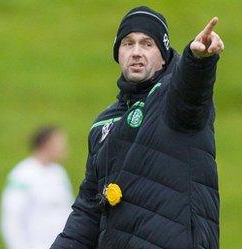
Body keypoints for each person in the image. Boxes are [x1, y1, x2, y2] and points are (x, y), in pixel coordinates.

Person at [51, 6, 224, 249]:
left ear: (163, 55)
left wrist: (199, 62)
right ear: (117, 53)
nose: (136, 52)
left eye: (147, 44)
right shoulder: (104, 123)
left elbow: (191, 94)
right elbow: (89, 210)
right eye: (128, 43)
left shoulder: (172, 97)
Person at [0, 125, 75, 249]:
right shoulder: (22, 174)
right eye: (59, 143)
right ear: (46, 144)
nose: (64, 147)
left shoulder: (59, 173)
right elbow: (11, 219)